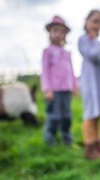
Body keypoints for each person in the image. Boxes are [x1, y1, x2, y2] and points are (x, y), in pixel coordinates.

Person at [41, 15, 78, 146]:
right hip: (54, 91)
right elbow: (45, 71)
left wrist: (74, 86)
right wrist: (47, 89)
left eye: (62, 31)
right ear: (50, 33)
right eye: (55, 30)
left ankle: (66, 138)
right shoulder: (47, 51)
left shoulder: (66, 52)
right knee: (54, 116)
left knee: (66, 116)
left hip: (66, 90)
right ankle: (50, 139)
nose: (59, 34)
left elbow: (71, 71)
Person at [78, 10, 100, 159]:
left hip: (99, 84)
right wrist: (98, 42)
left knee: (97, 114)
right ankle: (89, 147)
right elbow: (92, 56)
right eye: (94, 21)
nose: (97, 25)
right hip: (89, 84)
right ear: (87, 21)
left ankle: (97, 143)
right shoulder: (83, 39)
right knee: (90, 114)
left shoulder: (97, 42)